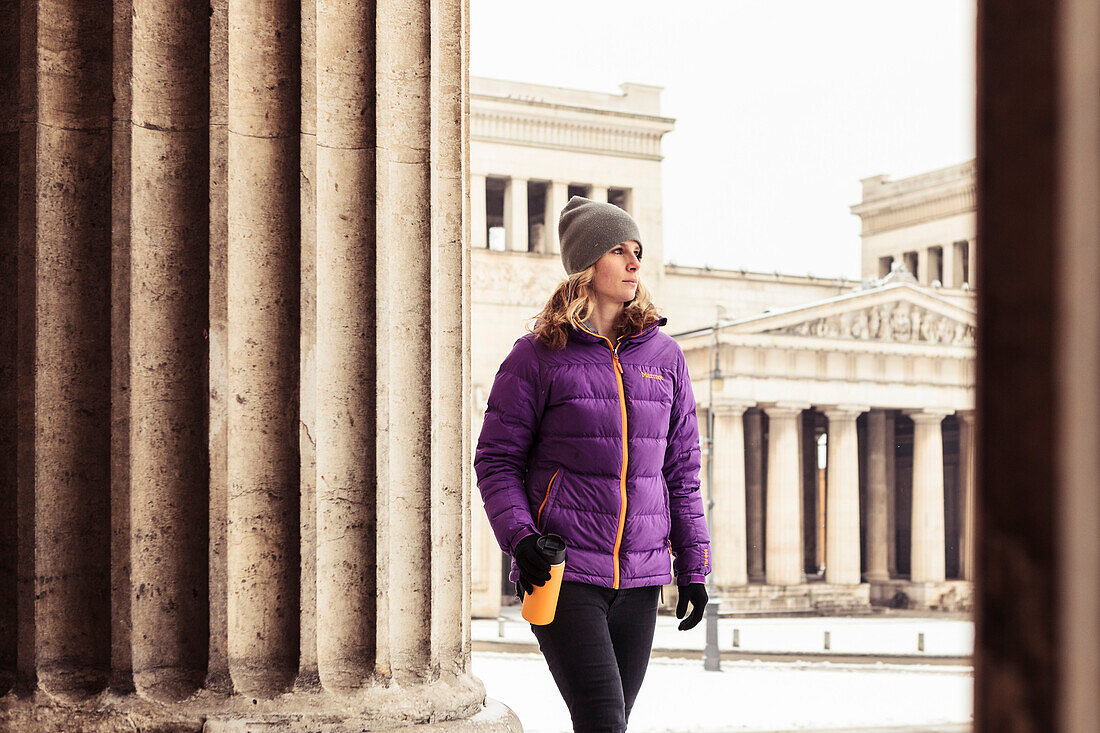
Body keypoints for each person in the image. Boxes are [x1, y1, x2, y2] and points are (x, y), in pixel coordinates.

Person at [475, 196, 712, 732]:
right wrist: (522, 537)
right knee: (603, 719)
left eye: (637, 252)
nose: (633, 263)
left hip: (642, 577)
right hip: (563, 571)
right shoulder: (536, 355)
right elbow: (496, 459)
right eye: (617, 250)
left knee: (609, 724)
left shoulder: (664, 358)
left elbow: (681, 472)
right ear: (586, 265)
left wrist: (693, 567)